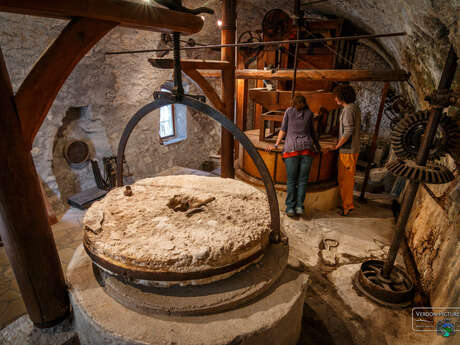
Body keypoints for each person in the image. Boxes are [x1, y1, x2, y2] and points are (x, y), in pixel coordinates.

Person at [270, 95, 322, 217]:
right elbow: (312, 133)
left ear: (293, 102)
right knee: (303, 180)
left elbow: (283, 129)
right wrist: (318, 146)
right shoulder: (309, 113)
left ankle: (290, 208)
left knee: (292, 181)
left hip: (291, 150)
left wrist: (276, 145)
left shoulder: (288, 111)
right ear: (305, 102)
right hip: (307, 150)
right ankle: (299, 207)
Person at [329, 84, 361, 216]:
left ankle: (347, 207)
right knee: (347, 178)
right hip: (352, 148)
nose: (335, 98)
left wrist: (337, 146)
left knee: (346, 179)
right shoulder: (354, 107)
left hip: (348, 150)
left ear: (342, 96)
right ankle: (347, 203)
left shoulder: (348, 110)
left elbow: (348, 131)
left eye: (336, 96)